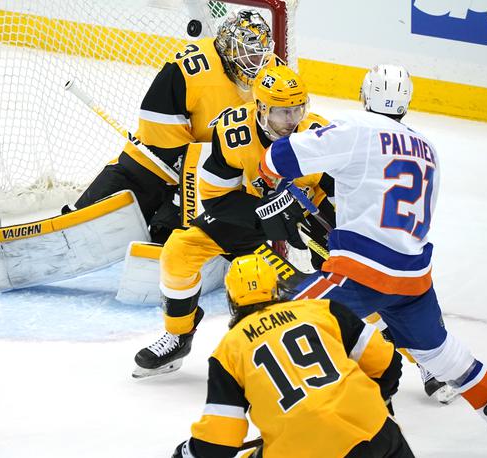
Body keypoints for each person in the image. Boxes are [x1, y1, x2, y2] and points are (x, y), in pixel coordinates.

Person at [257, 64, 487, 452]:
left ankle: (292, 424)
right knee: (443, 356)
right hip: (413, 278)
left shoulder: (355, 127)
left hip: (361, 272)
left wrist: (274, 163)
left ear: (364, 95)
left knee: (282, 319)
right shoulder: (428, 150)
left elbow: (276, 161)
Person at [132, 65, 334, 378]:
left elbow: (340, 192)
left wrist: (333, 238)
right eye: (282, 113)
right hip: (247, 216)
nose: (291, 121)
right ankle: (178, 335)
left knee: (342, 273)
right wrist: (267, 215)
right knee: (179, 252)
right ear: (261, 108)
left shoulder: (318, 134)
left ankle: (357, 343)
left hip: (307, 213)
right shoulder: (233, 132)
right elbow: (216, 199)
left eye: (297, 110)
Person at [171, 254, 414, 458]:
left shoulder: (229, 350)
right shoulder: (322, 310)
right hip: (378, 434)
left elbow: (218, 443)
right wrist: (371, 400)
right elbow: (387, 363)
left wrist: (187, 452)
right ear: (277, 288)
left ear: (231, 300)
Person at [68, 9, 275, 243]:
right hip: (157, 160)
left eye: (261, 55)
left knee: (167, 239)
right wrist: (183, 160)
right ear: (228, 47)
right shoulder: (191, 67)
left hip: (213, 177)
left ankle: (167, 235)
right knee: (87, 225)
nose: (256, 64)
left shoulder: (272, 75)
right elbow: (156, 119)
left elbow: (280, 126)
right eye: (248, 54)